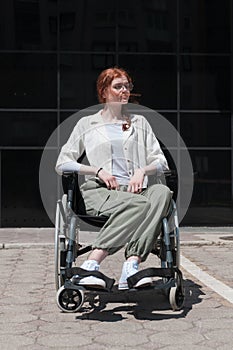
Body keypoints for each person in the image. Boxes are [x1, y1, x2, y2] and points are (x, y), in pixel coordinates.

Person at [56, 67, 172, 290]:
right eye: (118, 86)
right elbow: (63, 162)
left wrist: (142, 171)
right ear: (104, 91)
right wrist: (97, 170)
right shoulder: (86, 124)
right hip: (101, 191)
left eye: (127, 86)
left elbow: (161, 162)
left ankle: (131, 266)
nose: (124, 91)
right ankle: (91, 264)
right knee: (140, 205)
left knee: (162, 193)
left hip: (135, 191)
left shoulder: (140, 123)